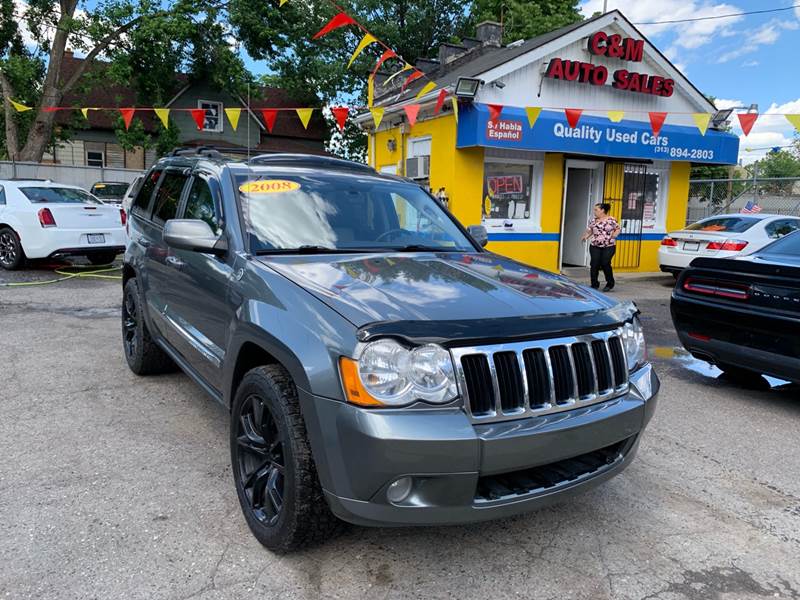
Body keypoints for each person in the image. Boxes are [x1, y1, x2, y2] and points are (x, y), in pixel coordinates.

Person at [581, 202, 621, 292]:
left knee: (605, 263)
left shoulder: (611, 220)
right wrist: (585, 237)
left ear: (602, 210)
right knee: (594, 264)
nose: (594, 212)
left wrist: (614, 236)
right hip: (595, 245)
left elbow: (618, 229)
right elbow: (590, 231)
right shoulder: (593, 221)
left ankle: (610, 283)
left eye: (596, 210)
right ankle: (594, 284)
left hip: (609, 246)